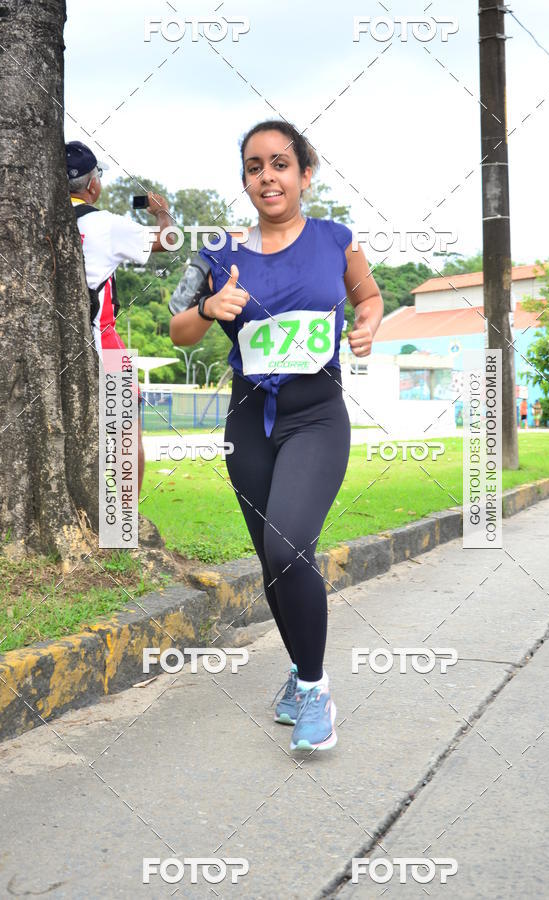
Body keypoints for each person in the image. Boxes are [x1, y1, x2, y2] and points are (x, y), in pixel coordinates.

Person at [170, 120, 383, 751]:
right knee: (273, 554)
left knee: (289, 545)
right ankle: (298, 673)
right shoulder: (215, 255)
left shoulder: (336, 241)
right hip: (249, 420)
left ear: (304, 174)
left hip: (316, 416)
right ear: (245, 179)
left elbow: (369, 299)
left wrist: (369, 325)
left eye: (281, 164)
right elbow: (178, 328)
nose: (268, 176)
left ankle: (316, 690)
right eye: (255, 166)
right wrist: (209, 309)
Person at [66, 140, 174, 490]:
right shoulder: (106, 225)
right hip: (102, 346)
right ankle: (124, 521)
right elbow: (169, 241)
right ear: (93, 184)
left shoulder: (28, 218)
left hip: (49, 349)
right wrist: (160, 211)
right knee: (126, 436)